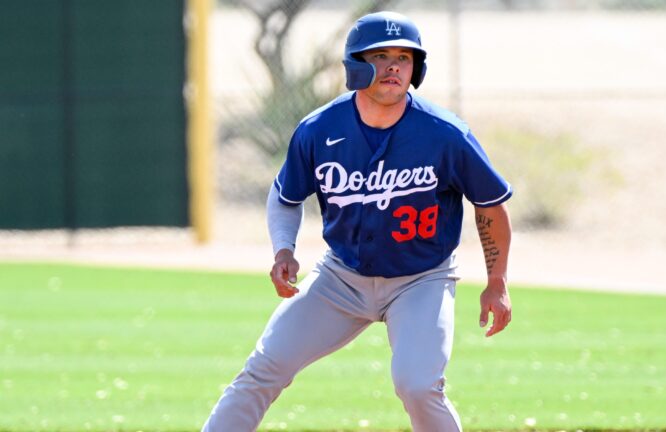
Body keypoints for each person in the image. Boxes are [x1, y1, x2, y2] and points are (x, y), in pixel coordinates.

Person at [202, 11, 513, 432]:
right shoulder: (318, 129)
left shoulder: (446, 134)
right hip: (341, 278)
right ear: (354, 66)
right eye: (380, 56)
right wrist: (283, 249)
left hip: (421, 280)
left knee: (418, 385)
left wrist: (497, 283)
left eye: (404, 58)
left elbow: (491, 205)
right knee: (263, 368)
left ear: (416, 68)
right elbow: (285, 196)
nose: (393, 67)